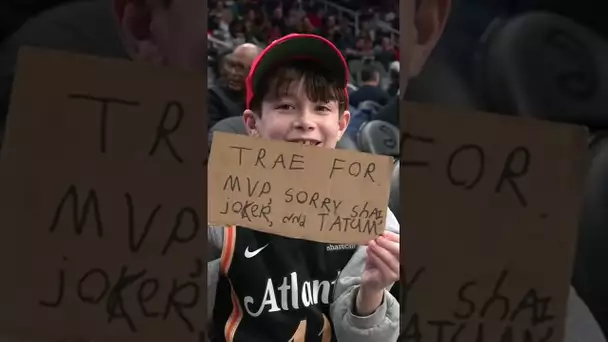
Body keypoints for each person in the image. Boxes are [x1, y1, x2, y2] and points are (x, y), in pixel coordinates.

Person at [207, 33, 401, 341]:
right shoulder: (219, 199)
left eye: (322, 107)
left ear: (341, 124)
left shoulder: (372, 214)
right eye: (286, 105)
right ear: (252, 124)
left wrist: (372, 292)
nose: (305, 121)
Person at [208, 43, 262, 129]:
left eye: (241, 68)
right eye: (232, 65)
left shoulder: (264, 98)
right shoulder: (212, 97)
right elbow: (214, 137)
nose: (233, 73)